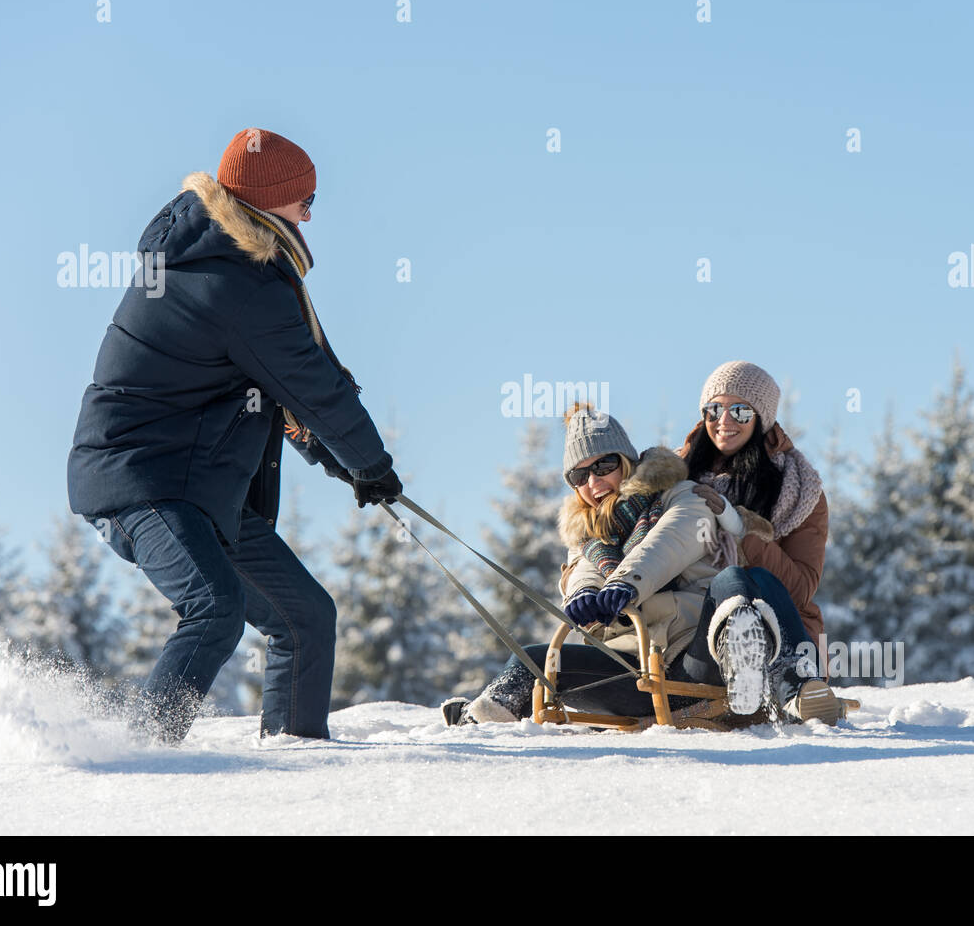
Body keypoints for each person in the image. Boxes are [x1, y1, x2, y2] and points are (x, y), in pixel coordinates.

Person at [67, 128, 402, 744]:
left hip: (199, 484)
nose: (309, 212)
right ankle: (141, 755)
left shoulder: (233, 263)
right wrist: (371, 464)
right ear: (269, 198)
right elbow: (313, 384)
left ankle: (298, 761)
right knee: (213, 609)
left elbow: (279, 389)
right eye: (304, 199)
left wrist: (345, 463)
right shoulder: (235, 279)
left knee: (304, 617)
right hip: (143, 478)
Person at [444, 403, 833, 726]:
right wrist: (583, 592)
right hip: (631, 671)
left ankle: (750, 674)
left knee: (736, 580)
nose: (593, 482)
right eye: (579, 475)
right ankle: (480, 720)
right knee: (533, 658)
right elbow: (585, 565)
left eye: (604, 465)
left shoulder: (683, 496)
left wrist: (626, 584)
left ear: (627, 461)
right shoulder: (586, 534)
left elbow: (671, 542)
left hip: (695, 658)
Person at [678, 359, 839, 723]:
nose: (725, 421)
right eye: (714, 409)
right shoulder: (674, 478)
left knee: (752, 580)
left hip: (782, 632)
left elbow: (800, 589)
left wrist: (739, 530)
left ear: (762, 417)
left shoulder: (799, 490)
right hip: (691, 631)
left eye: (740, 410)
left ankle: (797, 686)